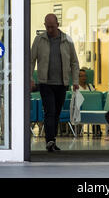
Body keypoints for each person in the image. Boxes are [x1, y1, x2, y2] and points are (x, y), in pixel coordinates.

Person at [31, 13, 79, 152]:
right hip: (45, 83)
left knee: (56, 112)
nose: (49, 29)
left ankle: (52, 140)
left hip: (62, 83)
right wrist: (30, 78)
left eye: (52, 26)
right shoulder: (39, 40)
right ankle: (50, 141)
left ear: (57, 25)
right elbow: (31, 60)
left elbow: (74, 62)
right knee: (50, 112)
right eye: (47, 27)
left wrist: (75, 80)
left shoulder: (67, 40)